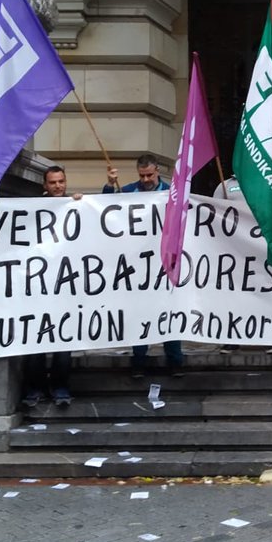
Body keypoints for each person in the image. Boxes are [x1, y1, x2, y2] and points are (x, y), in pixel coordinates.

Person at [103, 154, 185, 377]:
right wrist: (110, 186)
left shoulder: (172, 192)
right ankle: (139, 361)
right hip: (136, 265)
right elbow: (105, 209)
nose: (146, 179)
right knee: (139, 313)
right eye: (142, 175)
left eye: (150, 175)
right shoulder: (128, 191)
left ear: (157, 170)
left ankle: (175, 361)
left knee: (169, 311)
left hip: (164, 262)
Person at [22, 165, 76, 407]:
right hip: (37, 286)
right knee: (35, 342)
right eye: (53, 182)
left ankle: (60, 388)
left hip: (64, 286)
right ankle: (35, 389)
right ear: (45, 185)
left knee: (63, 342)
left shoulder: (76, 206)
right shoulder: (32, 208)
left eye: (61, 181)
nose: (58, 186)